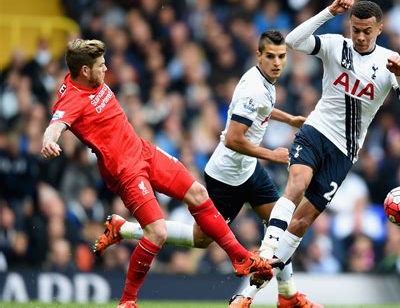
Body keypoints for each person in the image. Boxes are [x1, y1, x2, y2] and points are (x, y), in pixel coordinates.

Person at [40, 39, 273, 308]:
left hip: (142, 150)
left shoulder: (89, 77)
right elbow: (56, 124)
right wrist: (49, 140)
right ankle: (127, 301)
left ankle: (240, 258)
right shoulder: (72, 99)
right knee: (157, 232)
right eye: (101, 66)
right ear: (84, 70)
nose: (106, 69)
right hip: (125, 171)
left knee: (198, 193)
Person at [93, 30, 316, 308]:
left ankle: (288, 295)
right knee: (200, 240)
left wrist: (290, 118)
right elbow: (234, 139)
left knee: (280, 226)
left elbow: (262, 110)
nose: (277, 62)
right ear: (258, 55)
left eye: (282, 57)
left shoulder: (265, 82)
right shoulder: (253, 88)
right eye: (270, 56)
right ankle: (124, 228)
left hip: (249, 170)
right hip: (226, 176)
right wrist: (271, 154)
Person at [246, 0, 400, 305]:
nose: (361, 36)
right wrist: (328, 12)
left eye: (367, 30)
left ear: (379, 28)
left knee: (301, 222)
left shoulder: (389, 61)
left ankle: (268, 295)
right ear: (349, 26)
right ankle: (265, 255)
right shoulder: (335, 45)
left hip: (345, 152)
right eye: (356, 29)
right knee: (296, 184)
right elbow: (293, 41)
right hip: (316, 130)